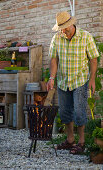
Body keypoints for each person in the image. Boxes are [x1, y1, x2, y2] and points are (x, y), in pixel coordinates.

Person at [47, 11, 99, 154]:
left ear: (72, 24)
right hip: (63, 81)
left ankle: (81, 142)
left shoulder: (86, 37)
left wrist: (92, 79)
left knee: (79, 112)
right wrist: (52, 78)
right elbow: (53, 59)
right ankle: (70, 140)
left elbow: (93, 59)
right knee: (64, 112)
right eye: (61, 28)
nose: (63, 31)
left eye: (65, 28)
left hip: (80, 80)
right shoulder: (57, 38)